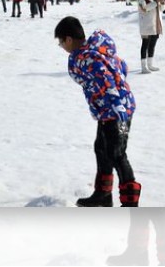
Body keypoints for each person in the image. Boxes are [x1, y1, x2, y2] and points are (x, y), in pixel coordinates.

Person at [54, 16, 140, 208]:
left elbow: (109, 80)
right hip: (107, 110)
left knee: (117, 154)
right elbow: (122, 67)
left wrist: (117, 110)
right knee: (101, 148)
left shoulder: (89, 58)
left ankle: (130, 203)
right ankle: (102, 194)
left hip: (116, 111)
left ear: (68, 39)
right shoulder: (95, 51)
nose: (62, 47)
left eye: (61, 42)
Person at [136, 0, 164, 73]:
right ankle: (143, 67)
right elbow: (144, 8)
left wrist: (162, 2)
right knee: (145, 45)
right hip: (146, 24)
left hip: (156, 24)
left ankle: (150, 64)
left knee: (152, 45)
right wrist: (156, 2)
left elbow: (161, 9)